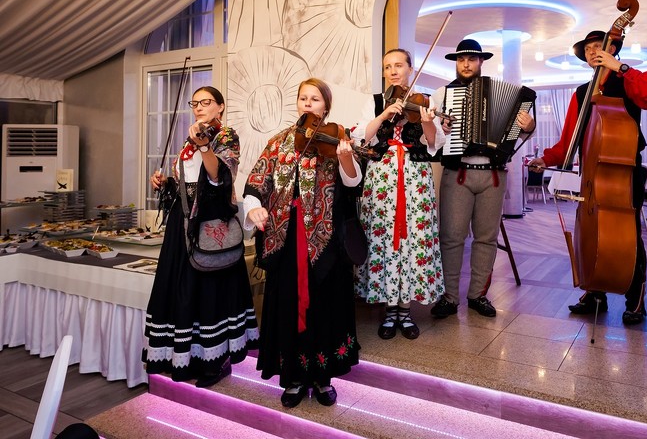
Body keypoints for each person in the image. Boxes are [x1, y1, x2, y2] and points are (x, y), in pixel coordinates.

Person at [529, 30, 647, 325]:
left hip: (624, 171)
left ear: (612, 48)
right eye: (587, 48)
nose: (592, 51)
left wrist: (621, 68)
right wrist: (547, 159)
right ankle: (595, 293)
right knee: (591, 232)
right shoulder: (581, 92)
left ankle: (636, 300)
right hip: (592, 173)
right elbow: (569, 138)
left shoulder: (627, 80)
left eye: (597, 46)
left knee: (629, 236)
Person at [243, 78, 361, 408]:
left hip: (326, 238)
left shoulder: (337, 139)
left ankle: (323, 377)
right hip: (286, 236)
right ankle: (293, 376)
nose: (308, 103)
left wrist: (346, 158)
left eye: (315, 99)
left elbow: (353, 183)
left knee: (325, 304)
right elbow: (256, 182)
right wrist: (254, 208)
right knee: (288, 303)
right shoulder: (278, 142)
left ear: (326, 106)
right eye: (303, 98)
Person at [143, 86, 259, 388]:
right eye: (195, 103)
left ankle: (216, 360)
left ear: (220, 106)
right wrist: (166, 182)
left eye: (206, 102)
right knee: (185, 290)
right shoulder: (189, 139)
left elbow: (219, 177)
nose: (199, 107)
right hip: (183, 224)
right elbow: (187, 181)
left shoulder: (226, 135)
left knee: (211, 291)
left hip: (210, 222)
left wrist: (205, 146)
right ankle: (188, 357)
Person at [430, 39, 535, 319]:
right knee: (451, 237)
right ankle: (449, 297)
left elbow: (519, 132)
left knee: (486, 238)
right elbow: (432, 138)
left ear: (481, 62)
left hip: (493, 175)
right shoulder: (442, 94)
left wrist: (530, 126)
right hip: (458, 173)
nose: (465, 64)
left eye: (471, 59)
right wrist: (440, 126)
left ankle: (477, 295)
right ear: (456, 62)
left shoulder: (506, 94)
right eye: (461, 59)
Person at [351, 48, 445, 340]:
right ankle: (389, 310)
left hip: (415, 179)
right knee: (383, 239)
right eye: (387, 66)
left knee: (412, 240)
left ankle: (405, 311)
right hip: (381, 180)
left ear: (410, 68)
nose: (393, 71)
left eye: (399, 65)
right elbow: (362, 138)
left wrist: (426, 121)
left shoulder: (425, 101)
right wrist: (383, 115)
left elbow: (433, 142)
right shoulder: (375, 101)